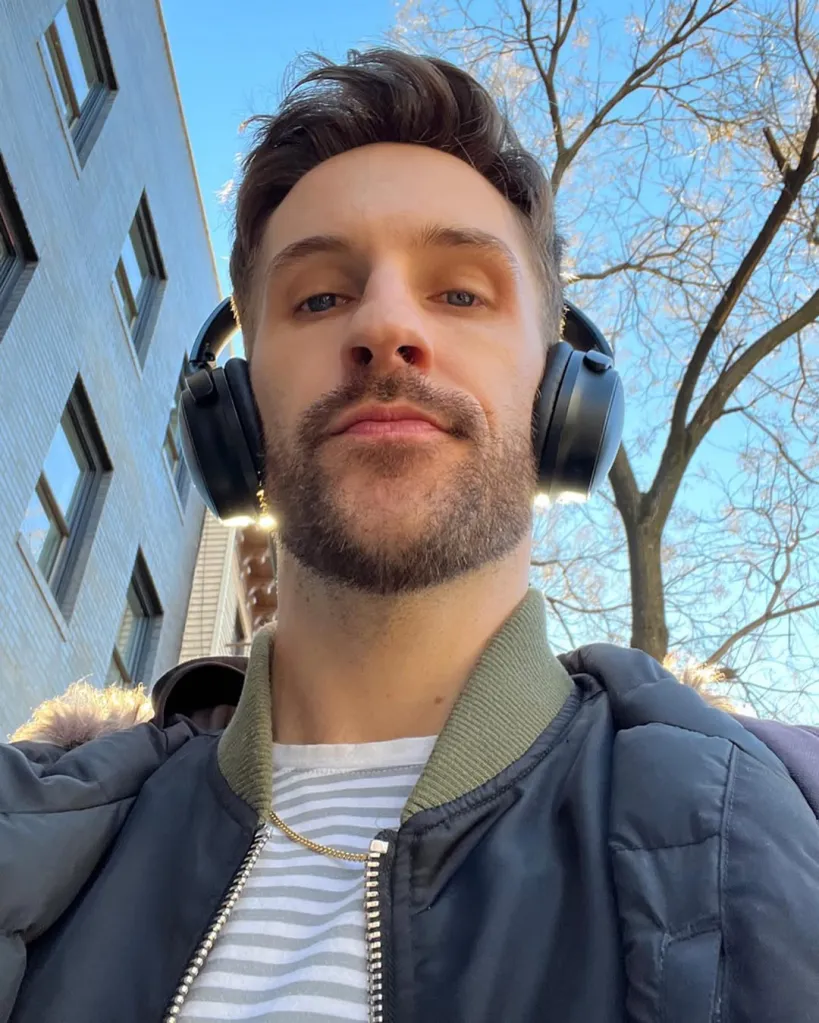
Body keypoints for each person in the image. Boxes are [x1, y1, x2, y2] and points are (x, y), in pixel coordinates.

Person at [2, 48, 819, 1023]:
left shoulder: (782, 818)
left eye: (461, 292)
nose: (386, 324)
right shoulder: (35, 837)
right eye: (317, 298)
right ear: (236, 412)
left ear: (560, 400)